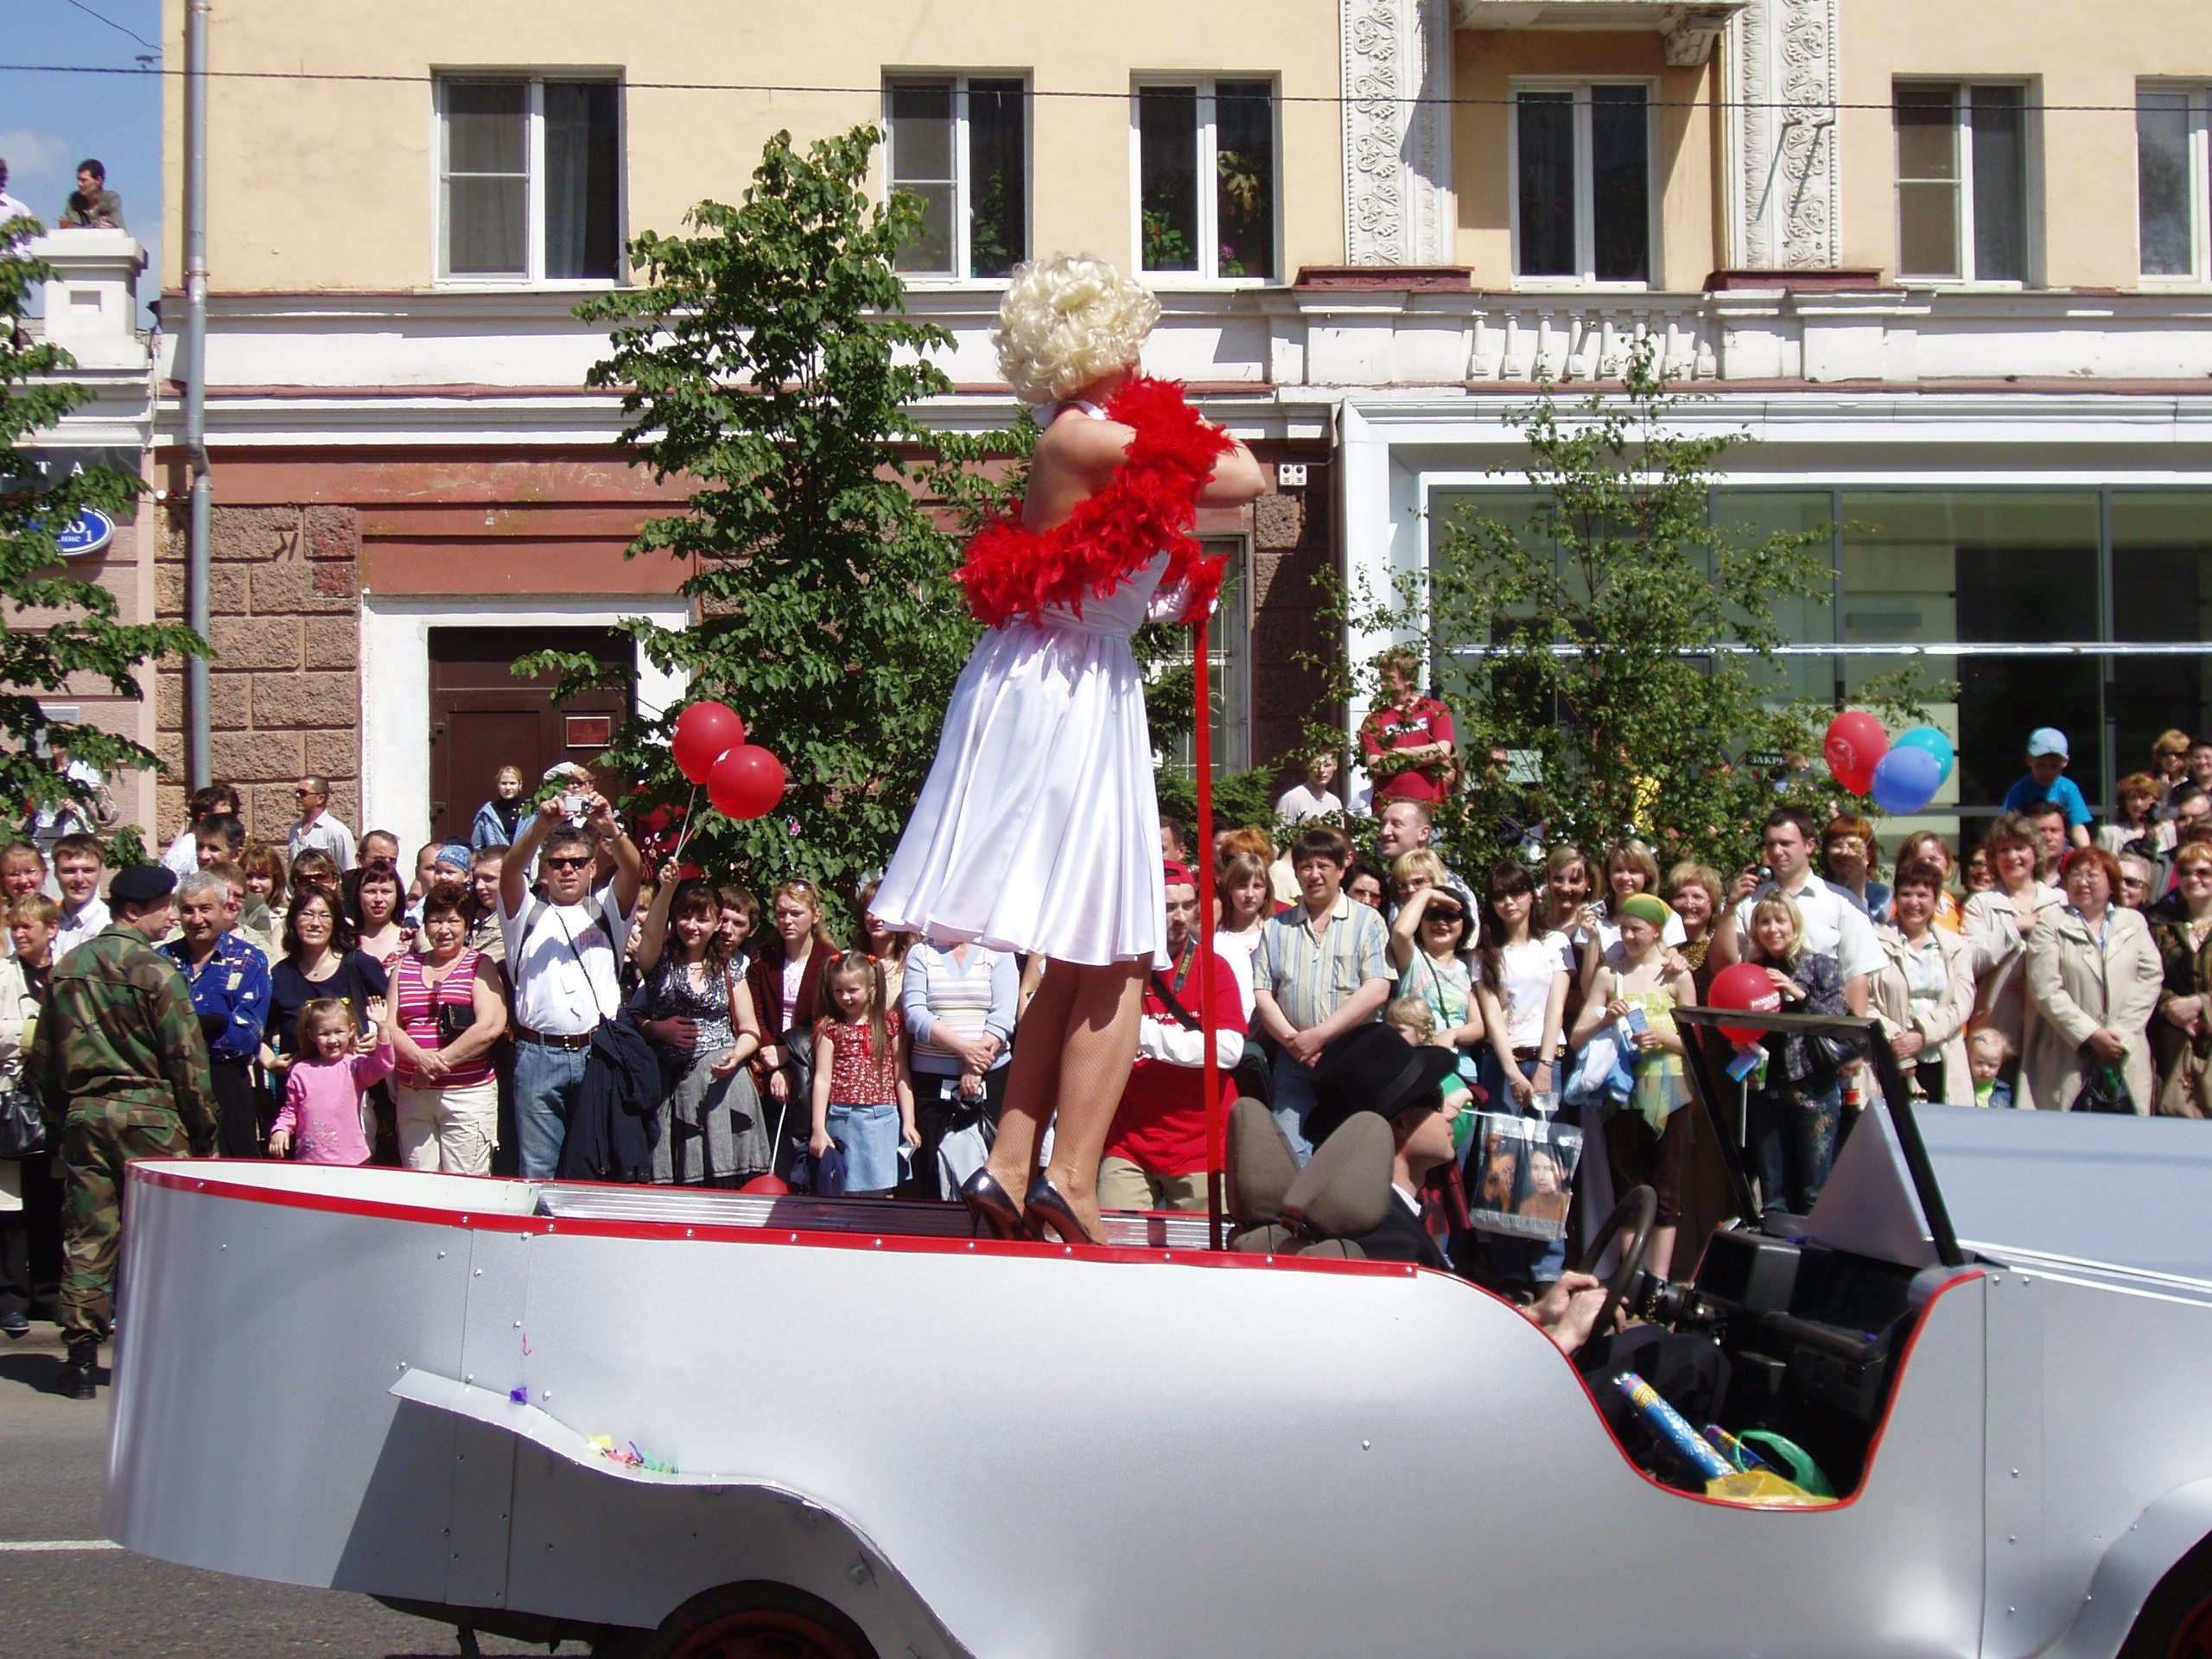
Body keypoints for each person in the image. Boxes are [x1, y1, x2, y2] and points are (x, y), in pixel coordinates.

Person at [870, 254, 1263, 1245]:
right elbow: (1243, 475)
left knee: (1087, 955)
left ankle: (1014, 1166)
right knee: (1122, 953)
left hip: (1074, 683)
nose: (1140, 353)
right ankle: (1076, 1177)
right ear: (1100, 340)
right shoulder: (1086, 438)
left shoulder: (1083, 437)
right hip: (1063, 691)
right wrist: (1174, 422)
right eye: (1128, 334)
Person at [28, 865, 215, 1400]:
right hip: (152, 1117)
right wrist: (203, 1133)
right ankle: (162, 1356)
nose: (172, 916)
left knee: (88, 1236)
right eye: (164, 907)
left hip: (86, 1115)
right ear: (134, 911)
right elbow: (187, 1060)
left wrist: (60, 1120)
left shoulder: (67, 968)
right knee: (165, 1242)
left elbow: (44, 1060)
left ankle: (82, 1360)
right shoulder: (158, 971)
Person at [498, 793, 642, 1180]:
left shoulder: (604, 910)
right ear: (543, 870)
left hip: (597, 1053)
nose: (567, 870)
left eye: (577, 863)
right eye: (557, 863)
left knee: (597, 1165)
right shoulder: (525, 914)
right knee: (539, 1170)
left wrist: (611, 828)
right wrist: (541, 825)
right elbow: (509, 873)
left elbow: (633, 871)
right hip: (537, 1055)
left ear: (592, 867)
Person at [1099, 861, 1247, 1212]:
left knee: (1206, 1258)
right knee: (1113, 1249)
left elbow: (1228, 1050)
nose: (1180, 917)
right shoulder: (1117, 970)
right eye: (1168, 908)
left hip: (1203, 1145)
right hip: (1129, 1141)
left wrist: (1141, 1033)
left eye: (1187, 905)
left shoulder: (1214, 967)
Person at [1569, 893, 1695, 1280]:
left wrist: (1663, 1037)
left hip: (1668, 1087)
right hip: (1623, 1091)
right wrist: (1605, 1019)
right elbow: (1576, 1037)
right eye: (1623, 928)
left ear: (1656, 930)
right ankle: (1631, 1279)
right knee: (1628, 1186)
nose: (1628, 936)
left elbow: (1696, 1044)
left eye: (1636, 929)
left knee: (1666, 1188)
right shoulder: (1611, 974)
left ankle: (1657, 1281)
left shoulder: (1677, 975)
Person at [1250, 824, 1394, 1163]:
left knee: (1348, 1158)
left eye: (1323, 867)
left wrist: (1320, 1036)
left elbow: (1377, 988)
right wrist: (1294, 1041)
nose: (1314, 875)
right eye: (1305, 867)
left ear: (1342, 869)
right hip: (1293, 1063)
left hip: (1351, 1060)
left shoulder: (1368, 922)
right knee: (1288, 1155)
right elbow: (1262, 992)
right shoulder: (1276, 927)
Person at [1471, 857, 1573, 1288]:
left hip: (1547, 1059)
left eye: (1516, 892)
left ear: (1533, 895)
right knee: (1505, 1166)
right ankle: (1510, 1270)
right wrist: (1512, 1071)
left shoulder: (1553, 944)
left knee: (1550, 1164)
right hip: (1503, 1063)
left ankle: (1548, 1267)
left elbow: (1557, 1003)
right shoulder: (1485, 951)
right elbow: (1492, 1015)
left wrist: (1545, 1065)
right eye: (1499, 895)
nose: (1509, 902)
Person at [632, 863, 765, 1186]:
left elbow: (750, 1031)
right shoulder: (659, 958)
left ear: (716, 923)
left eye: (702, 919)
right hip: (673, 1084)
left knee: (728, 1181)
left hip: (723, 1084)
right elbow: (636, 1018)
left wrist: (737, 1055)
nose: (691, 926)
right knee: (682, 1180)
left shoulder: (729, 966)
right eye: (685, 917)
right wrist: (658, 1028)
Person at [1304, 1023, 1465, 1269]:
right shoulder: (1387, 1238)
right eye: (1437, 1099)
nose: (1451, 1114)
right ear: (1398, 1124)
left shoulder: (1382, 1216)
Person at [2018, 846, 2161, 1114]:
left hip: (2125, 1051)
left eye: (2092, 875)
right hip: (2067, 1053)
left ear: (2111, 883)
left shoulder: (2134, 922)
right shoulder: (2052, 922)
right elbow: (2046, 988)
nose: (2083, 882)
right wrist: (2090, 1034)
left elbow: (2150, 977)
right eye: (2075, 875)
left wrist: (2122, 1035)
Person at [1740, 893, 1854, 1217]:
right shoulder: (1750, 970)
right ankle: (1778, 1257)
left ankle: (1813, 1261)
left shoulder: (1821, 966)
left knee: (1814, 1189)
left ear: (1795, 925)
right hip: (1767, 1087)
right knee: (1774, 1191)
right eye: (1764, 921)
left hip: (1813, 1086)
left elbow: (1838, 1022)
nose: (1772, 929)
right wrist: (1738, 1038)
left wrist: (1797, 993)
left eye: (1780, 921)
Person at [385, 883, 509, 1175]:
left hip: (466, 1095)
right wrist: (420, 1059)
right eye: (436, 920)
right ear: (425, 925)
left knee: (466, 1181)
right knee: (418, 1181)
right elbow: (390, 1026)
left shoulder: (480, 965)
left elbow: (490, 1026)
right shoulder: (404, 967)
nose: (444, 929)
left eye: (453, 920)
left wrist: (435, 1065)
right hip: (414, 1092)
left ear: (466, 925)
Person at [1712, 807, 1883, 1014]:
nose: (1776, 851)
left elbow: (1856, 975)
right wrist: (1730, 907)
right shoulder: (1748, 901)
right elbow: (1723, 968)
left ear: (1809, 845)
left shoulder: (1841, 901)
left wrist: (1849, 1036)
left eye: (1786, 844)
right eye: (1771, 844)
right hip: (1761, 1026)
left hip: (1819, 1028)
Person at [159, 869, 273, 1159]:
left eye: (205, 909)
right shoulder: (160, 960)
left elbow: (245, 1035)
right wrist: (208, 1028)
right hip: (171, 1088)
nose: (196, 919)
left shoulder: (249, 959)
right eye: (187, 910)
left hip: (226, 1084)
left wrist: (181, 1038)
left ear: (224, 910)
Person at [902, 934, 1017, 1202]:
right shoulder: (921, 953)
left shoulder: (999, 951)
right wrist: (966, 1051)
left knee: (989, 1172)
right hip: (931, 1085)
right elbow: (916, 1014)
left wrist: (976, 1067)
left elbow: (1003, 1017)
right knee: (935, 1173)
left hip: (993, 1080)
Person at [262, 885, 389, 1094]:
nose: (315, 923)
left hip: (358, 1092)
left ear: (336, 922)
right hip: (302, 1094)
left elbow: (398, 1015)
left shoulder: (360, 966)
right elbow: (256, 1029)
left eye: (324, 916)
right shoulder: (281, 975)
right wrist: (269, 1061)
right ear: (293, 920)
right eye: (307, 914)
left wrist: (382, 1039)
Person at [746, 878, 838, 1165]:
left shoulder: (830, 961)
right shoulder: (764, 959)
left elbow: (830, 1020)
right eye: (781, 913)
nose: (787, 920)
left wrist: (790, 1057)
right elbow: (755, 1013)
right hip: (766, 1060)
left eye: (796, 913)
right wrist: (774, 1059)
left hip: (812, 1064)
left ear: (815, 916)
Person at [1869, 861, 1976, 1105]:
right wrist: (1897, 1038)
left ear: (1936, 900)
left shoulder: (1956, 946)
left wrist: (1922, 1035)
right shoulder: (1875, 941)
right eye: (1906, 894)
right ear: (1895, 898)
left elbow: (1963, 1004)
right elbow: (1865, 1002)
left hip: (1942, 1056)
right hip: (1892, 1054)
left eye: (1923, 895)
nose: (1914, 903)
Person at [810, 952, 915, 1198]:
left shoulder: (889, 1024)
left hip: (882, 1119)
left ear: (872, 988)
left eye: (852, 990)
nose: (845, 998)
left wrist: (908, 1120)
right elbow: (822, 1078)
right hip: (842, 1118)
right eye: (838, 991)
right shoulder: (830, 1027)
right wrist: (818, 1127)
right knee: (843, 1188)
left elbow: (902, 1075)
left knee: (878, 1191)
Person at [1964, 815, 2063, 1058]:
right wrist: (2015, 926)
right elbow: (1970, 962)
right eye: (2004, 850)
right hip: (1996, 1036)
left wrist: (2037, 984)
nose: (2012, 856)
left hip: (2050, 1032)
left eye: (2020, 848)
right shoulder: (1981, 904)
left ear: (2035, 852)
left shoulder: (2060, 902)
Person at [0, 893, 54, 1338]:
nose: (18, 934)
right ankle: (12, 1297)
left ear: (50, 930)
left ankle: (48, 1291)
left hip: (52, 1100)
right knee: (10, 1203)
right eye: (13, 927)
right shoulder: (4, 974)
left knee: (50, 1198)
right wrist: (29, 1032)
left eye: (27, 927)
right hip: (11, 1100)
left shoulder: (64, 972)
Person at [1387, 855, 1482, 1090]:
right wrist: (1425, 894)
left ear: (1464, 924)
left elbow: (1478, 1025)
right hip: (1414, 1065)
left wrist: (1453, 1035)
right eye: (1432, 916)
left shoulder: (1467, 967)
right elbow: (1400, 932)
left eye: (1450, 916)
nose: (1441, 923)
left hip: (1460, 1070)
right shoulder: (1412, 958)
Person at [269, 998, 393, 1165]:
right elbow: (291, 1110)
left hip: (352, 1159)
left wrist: (383, 1028)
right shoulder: (301, 1071)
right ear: (311, 1035)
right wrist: (281, 1130)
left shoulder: (354, 1066)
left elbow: (384, 1066)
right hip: (310, 1160)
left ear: (351, 1031)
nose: (332, 1040)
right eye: (324, 1034)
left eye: (338, 1032)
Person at [2151, 841, 2212, 1117]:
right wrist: (2169, 1005)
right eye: (2185, 872)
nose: (2192, 879)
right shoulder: (2159, 924)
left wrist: (2203, 1004)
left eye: (2203, 872)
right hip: (2173, 1045)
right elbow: (2144, 978)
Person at [1358, 645, 1457, 807]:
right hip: (1389, 809)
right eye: (1381, 677)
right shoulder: (1374, 720)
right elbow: (1376, 764)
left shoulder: (1436, 711)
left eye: (1389, 678)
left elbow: (1442, 751)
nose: (1382, 683)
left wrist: (1400, 753)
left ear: (1408, 678)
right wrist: (1425, 757)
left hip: (1431, 808)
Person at [2000, 728, 2092, 852]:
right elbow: (2009, 827)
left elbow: (2077, 826)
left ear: (2065, 763)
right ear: (2029, 760)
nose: (2047, 772)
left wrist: (2085, 853)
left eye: (2054, 766)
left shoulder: (2068, 788)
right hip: (2029, 848)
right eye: (2041, 765)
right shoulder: (2019, 790)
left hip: (2061, 849)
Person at [1213, 849, 1271, 1016]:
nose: (1250, 894)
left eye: (1258, 886)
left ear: (1267, 891)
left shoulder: (1274, 933)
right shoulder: (1217, 935)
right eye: (1242, 886)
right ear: (1230, 889)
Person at [162, 783, 242, 878]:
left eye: (232, 816)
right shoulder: (182, 852)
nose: (204, 855)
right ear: (203, 817)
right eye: (221, 817)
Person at [853, 880, 912, 1011]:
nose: (875, 918)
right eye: (870, 910)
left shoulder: (914, 964)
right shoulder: (852, 963)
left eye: (883, 910)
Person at [49, 834, 109, 961]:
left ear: (100, 871)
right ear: (55, 872)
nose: (79, 879)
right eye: (69, 871)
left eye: (88, 870)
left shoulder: (107, 926)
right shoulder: (48, 919)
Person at [1664, 861, 1726, 986]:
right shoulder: (1660, 944)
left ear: (1712, 904)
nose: (1688, 904)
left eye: (1697, 897)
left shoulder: (1719, 945)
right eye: (1681, 896)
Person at [1821, 814, 1889, 924]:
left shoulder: (1880, 894)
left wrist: (1858, 890)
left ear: (1869, 855)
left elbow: (1870, 932)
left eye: (1853, 846)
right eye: (1837, 845)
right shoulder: (1816, 888)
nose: (1844, 852)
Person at [1894, 831, 1967, 932]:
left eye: (1933, 859)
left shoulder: (1950, 900)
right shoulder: (1899, 903)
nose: (1927, 865)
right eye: (1919, 860)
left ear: (1947, 863)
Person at [346, 858, 410, 969]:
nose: (378, 899)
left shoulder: (410, 942)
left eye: (386, 892)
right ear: (358, 895)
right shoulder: (346, 943)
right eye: (370, 891)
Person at [288, 776, 357, 872]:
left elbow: (350, 872)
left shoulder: (337, 831)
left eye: (303, 793)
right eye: (297, 792)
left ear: (320, 799)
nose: (297, 796)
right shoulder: (295, 830)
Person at [2101, 772, 2175, 861]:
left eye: (2143, 798)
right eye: (2132, 798)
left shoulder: (2169, 832)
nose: (2138, 803)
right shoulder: (2109, 834)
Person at [1274, 752, 1343, 823]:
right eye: (1316, 765)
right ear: (1307, 765)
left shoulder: (1335, 803)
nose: (1321, 770)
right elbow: (1278, 832)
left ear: (1335, 766)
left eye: (1327, 765)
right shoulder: (1292, 799)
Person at [472, 766, 528, 852]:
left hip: (525, 862)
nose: (508, 788)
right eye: (504, 783)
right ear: (498, 785)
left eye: (512, 783)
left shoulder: (530, 810)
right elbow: (477, 846)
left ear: (520, 784)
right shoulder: (488, 812)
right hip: (497, 862)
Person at [57, 159, 123, 229]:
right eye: (78, 179)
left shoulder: (111, 199)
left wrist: (110, 228)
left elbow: (119, 228)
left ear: (98, 180)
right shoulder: (73, 200)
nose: (79, 184)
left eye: (84, 180)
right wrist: (94, 227)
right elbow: (70, 227)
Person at [2022, 798, 2073, 883]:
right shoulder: (2015, 877)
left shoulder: (2075, 875)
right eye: (2041, 831)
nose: (2048, 837)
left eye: (2054, 830)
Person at [1968, 1027, 2014, 1109]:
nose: (1985, 1070)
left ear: (2001, 1063)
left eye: (1992, 1065)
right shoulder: (1963, 1088)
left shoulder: (2003, 1091)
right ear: (1969, 1058)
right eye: (1979, 1063)